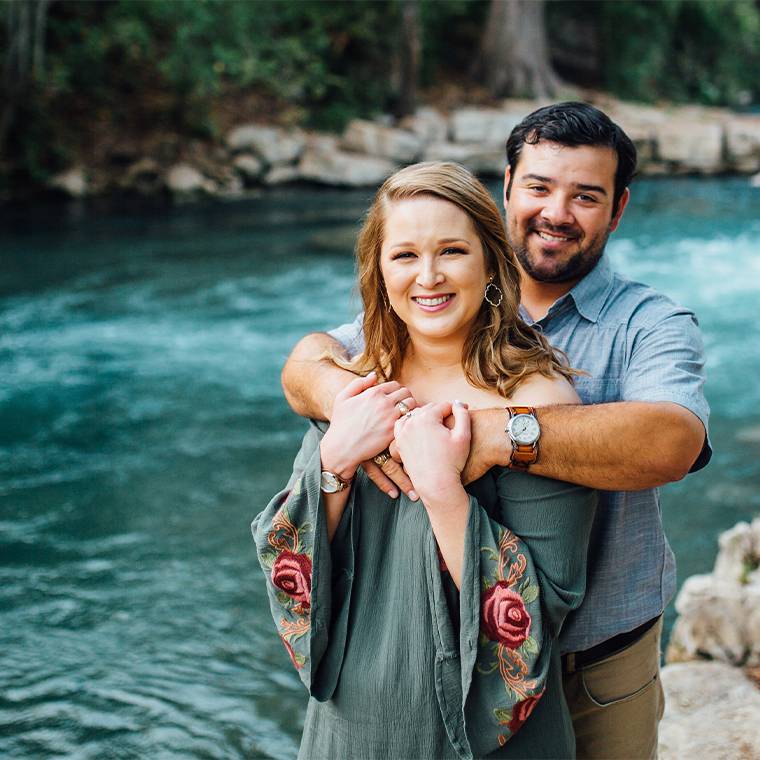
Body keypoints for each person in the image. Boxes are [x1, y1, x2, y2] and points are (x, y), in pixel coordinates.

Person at [280, 102, 711, 759]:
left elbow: (673, 442)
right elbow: (306, 364)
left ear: (618, 209)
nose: (557, 211)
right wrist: (348, 417)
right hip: (406, 674)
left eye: (586, 196)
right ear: (506, 186)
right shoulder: (419, 319)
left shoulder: (646, 324)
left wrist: (486, 435)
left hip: (597, 655)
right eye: (538, 187)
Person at [253, 162, 597, 758]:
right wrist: (332, 466)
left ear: (491, 262)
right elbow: (289, 575)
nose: (428, 276)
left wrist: (443, 492)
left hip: (486, 736)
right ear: (378, 271)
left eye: (452, 251)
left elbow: (543, 617)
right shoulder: (356, 386)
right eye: (405, 255)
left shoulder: (539, 402)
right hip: (350, 726)